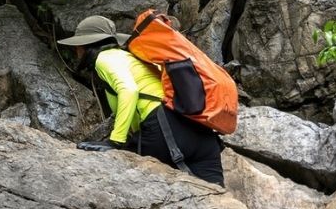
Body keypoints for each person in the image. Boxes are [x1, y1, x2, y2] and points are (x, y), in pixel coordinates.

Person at [56, 14, 224, 185]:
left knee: (128, 182)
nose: (75, 51)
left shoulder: (104, 59)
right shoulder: (133, 57)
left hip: (164, 128)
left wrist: (115, 141)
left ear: (84, 46)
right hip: (199, 131)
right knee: (219, 202)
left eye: (77, 46)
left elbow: (128, 90)